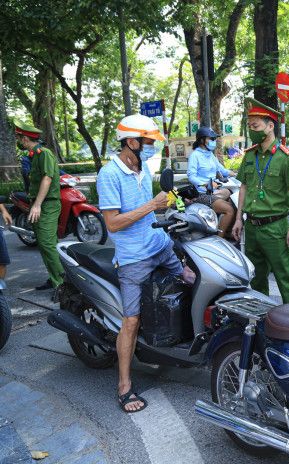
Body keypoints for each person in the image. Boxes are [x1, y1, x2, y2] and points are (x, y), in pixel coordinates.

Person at [96, 114, 182, 412]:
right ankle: (124, 385)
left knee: (192, 280)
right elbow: (113, 224)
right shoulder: (109, 174)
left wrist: (172, 206)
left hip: (160, 245)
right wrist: (152, 205)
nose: (151, 148)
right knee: (131, 320)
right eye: (148, 143)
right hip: (133, 257)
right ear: (131, 142)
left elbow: (151, 211)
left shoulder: (142, 167)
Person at [231, 98, 289, 303]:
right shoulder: (250, 155)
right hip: (252, 227)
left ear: (270, 126)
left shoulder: (285, 157)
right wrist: (238, 219)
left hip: (275, 228)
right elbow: (243, 187)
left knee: (286, 278)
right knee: (257, 279)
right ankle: (261, 323)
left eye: (256, 126)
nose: (252, 130)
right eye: (250, 126)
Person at [14, 122, 64, 291]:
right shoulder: (34, 155)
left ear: (25, 138)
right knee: (45, 244)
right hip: (40, 204)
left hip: (47, 205)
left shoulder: (45, 154)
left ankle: (63, 285)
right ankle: (55, 277)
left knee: (47, 244)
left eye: (19, 138)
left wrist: (37, 205)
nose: (19, 141)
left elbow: (47, 179)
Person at [187, 126, 235, 239]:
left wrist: (237, 174)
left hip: (214, 190)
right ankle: (220, 238)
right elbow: (191, 176)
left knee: (230, 195)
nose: (214, 141)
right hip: (201, 193)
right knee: (229, 210)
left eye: (214, 139)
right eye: (211, 139)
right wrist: (205, 184)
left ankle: (226, 229)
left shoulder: (211, 155)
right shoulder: (195, 155)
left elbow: (222, 170)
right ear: (202, 140)